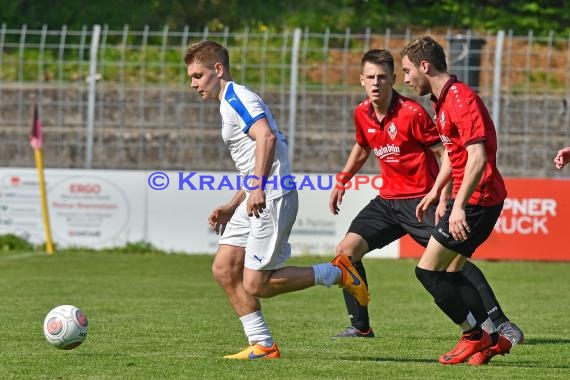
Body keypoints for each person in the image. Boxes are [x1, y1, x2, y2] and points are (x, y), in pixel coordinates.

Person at [183, 40, 368, 360]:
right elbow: (254, 158)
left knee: (256, 284)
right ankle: (263, 345)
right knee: (224, 269)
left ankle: (337, 273)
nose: (193, 83)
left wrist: (256, 188)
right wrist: (232, 204)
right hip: (256, 196)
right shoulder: (227, 102)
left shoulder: (238, 97)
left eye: (198, 75)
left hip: (273, 196)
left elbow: (266, 137)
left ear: (218, 69)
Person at [330, 48, 524, 348]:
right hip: (387, 202)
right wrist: (343, 178)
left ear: (393, 79)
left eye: (383, 77)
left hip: (421, 202)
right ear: (361, 80)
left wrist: (442, 195)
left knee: (451, 263)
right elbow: (362, 146)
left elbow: (445, 151)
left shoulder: (413, 112)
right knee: (346, 252)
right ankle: (360, 327)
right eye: (370, 77)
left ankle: (499, 323)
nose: (376, 83)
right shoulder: (361, 112)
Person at [400, 36, 514, 365]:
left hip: (478, 198)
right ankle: (494, 339)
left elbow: (477, 158)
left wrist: (459, 207)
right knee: (451, 270)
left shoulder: (461, 100)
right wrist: (437, 190)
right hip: (475, 197)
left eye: (407, 71)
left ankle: (473, 335)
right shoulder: (444, 99)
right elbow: (456, 151)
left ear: (425, 66)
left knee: (428, 272)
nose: (405, 79)